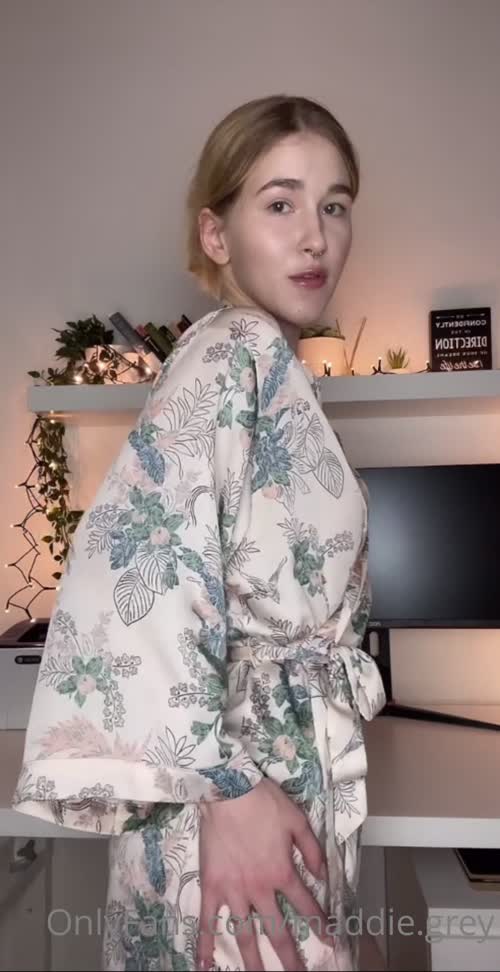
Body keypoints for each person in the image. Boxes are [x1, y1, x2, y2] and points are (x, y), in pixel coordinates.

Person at [12, 94, 386, 971]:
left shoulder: (262, 361)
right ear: (216, 235)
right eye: (280, 203)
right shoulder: (230, 355)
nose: (315, 237)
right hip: (238, 798)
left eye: (335, 206)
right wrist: (227, 790)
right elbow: (134, 571)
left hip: (268, 776)